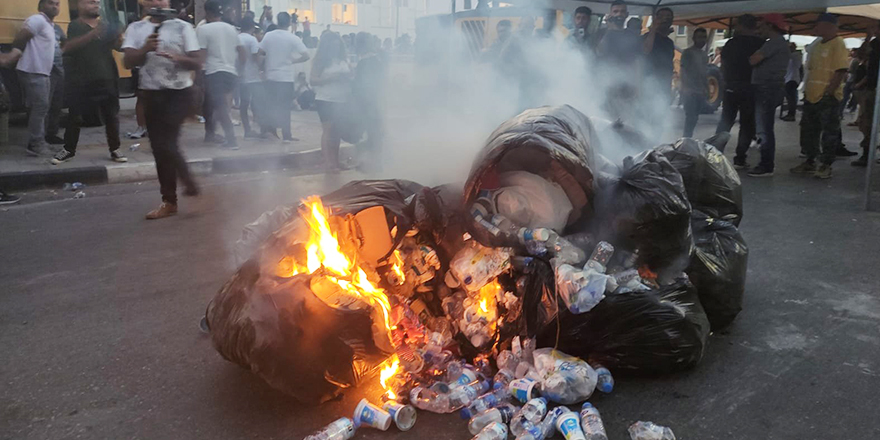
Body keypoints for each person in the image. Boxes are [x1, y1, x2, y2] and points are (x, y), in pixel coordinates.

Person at [123, 0, 203, 219]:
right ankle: (169, 202)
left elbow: (197, 62)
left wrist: (178, 58)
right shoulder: (136, 28)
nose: (158, 1)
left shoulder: (183, 27)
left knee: (166, 142)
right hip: (151, 94)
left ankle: (188, 180)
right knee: (159, 149)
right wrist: (145, 49)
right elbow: (128, 62)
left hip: (179, 94)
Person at [51, 0, 127, 165]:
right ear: (80, 6)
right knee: (75, 117)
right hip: (82, 80)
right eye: (90, 2)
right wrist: (93, 34)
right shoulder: (75, 26)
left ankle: (115, 148)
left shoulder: (106, 25)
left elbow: (119, 47)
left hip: (107, 78)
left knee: (111, 116)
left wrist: (119, 38)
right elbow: (68, 47)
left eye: (97, 2)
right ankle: (69, 150)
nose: (95, 4)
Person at [791, 13, 849, 179]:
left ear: (830, 26)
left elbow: (840, 71)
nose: (816, 28)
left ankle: (826, 164)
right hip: (811, 96)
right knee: (809, 131)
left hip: (827, 97)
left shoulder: (838, 44)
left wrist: (829, 92)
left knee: (829, 132)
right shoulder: (816, 45)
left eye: (819, 25)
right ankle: (810, 161)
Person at [738, 14, 790, 177]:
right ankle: (766, 163)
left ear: (770, 25)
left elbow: (753, 60)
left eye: (761, 26)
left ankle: (766, 165)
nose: (758, 29)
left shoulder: (773, 43)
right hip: (769, 88)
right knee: (764, 127)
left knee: (764, 129)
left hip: (767, 88)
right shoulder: (778, 43)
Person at [14, 0, 61, 157]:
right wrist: (15, 53)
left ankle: (39, 142)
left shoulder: (49, 24)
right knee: (40, 107)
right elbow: (22, 36)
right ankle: (35, 144)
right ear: (41, 6)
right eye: (50, 3)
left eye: (57, 3)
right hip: (32, 70)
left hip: (42, 72)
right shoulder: (37, 19)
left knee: (41, 108)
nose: (55, 6)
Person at [715, 14, 764, 159]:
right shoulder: (761, 44)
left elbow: (723, 65)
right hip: (751, 87)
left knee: (726, 121)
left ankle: (715, 153)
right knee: (747, 124)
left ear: (741, 25)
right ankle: (740, 156)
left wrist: (725, 82)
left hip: (732, 86)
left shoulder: (731, 43)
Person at [257, 12, 310, 141]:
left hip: (271, 76)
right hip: (286, 77)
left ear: (277, 21)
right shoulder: (293, 38)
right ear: (289, 22)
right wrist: (292, 61)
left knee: (270, 105)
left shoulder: (269, 36)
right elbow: (306, 55)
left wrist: (261, 69)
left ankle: (271, 132)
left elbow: (260, 52)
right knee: (285, 107)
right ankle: (287, 135)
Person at [197, 0, 243, 149]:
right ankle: (210, 134)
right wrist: (239, 70)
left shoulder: (204, 29)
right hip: (230, 73)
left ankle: (231, 140)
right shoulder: (231, 29)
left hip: (213, 72)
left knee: (219, 106)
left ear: (207, 12)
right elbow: (242, 52)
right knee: (212, 105)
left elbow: (201, 56)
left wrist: (197, 76)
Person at [310, 32, 352, 172]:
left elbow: (351, 76)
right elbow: (313, 80)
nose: (336, 47)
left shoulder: (343, 60)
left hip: (342, 99)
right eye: (332, 45)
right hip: (325, 99)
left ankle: (336, 161)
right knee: (328, 131)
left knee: (337, 131)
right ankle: (328, 162)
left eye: (338, 45)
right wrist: (332, 78)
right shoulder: (320, 61)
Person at [596, 1, 644, 120]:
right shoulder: (602, 32)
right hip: (606, 85)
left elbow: (637, 62)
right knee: (606, 119)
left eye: (622, 11)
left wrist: (638, 86)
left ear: (627, 14)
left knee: (626, 120)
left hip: (627, 85)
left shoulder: (632, 35)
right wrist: (610, 28)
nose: (619, 14)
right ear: (610, 14)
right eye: (616, 11)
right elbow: (599, 52)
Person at [353, 31, 386, 171]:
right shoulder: (373, 60)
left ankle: (372, 163)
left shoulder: (367, 61)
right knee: (373, 132)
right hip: (372, 102)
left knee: (373, 132)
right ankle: (372, 162)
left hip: (369, 102)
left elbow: (362, 84)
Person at [854, 21, 880, 167]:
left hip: (876, 87)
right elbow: (861, 55)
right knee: (866, 122)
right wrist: (867, 38)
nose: (874, 30)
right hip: (871, 89)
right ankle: (866, 153)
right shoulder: (875, 44)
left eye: (875, 28)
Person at [642, 7, 676, 105]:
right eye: (661, 17)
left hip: (663, 90)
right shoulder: (646, 37)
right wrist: (654, 28)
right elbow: (645, 50)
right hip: (647, 88)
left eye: (669, 17)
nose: (665, 19)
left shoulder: (669, 43)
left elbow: (669, 66)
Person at [680, 27, 709, 138]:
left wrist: (706, 88)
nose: (702, 40)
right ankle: (686, 139)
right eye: (699, 37)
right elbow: (683, 70)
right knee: (690, 117)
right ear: (693, 38)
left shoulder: (704, 55)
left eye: (704, 37)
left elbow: (704, 72)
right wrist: (685, 88)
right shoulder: (688, 53)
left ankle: (688, 138)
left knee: (695, 117)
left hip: (699, 90)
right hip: (690, 91)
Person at [237, 18, 262, 138]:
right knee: (256, 103)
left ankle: (247, 130)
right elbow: (256, 56)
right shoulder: (252, 40)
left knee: (244, 104)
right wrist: (261, 67)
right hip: (253, 76)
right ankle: (258, 128)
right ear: (252, 28)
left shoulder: (236, 38)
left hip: (241, 76)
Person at [45, 22, 66, 146]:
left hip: (59, 68)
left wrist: (60, 52)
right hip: (46, 69)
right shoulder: (37, 25)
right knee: (45, 104)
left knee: (56, 104)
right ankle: (41, 136)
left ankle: (52, 134)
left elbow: (65, 41)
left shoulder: (56, 27)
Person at [781, 42, 802, 121]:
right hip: (789, 78)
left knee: (791, 98)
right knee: (790, 98)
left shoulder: (795, 55)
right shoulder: (792, 56)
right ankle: (790, 113)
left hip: (792, 79)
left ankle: (791, 114)